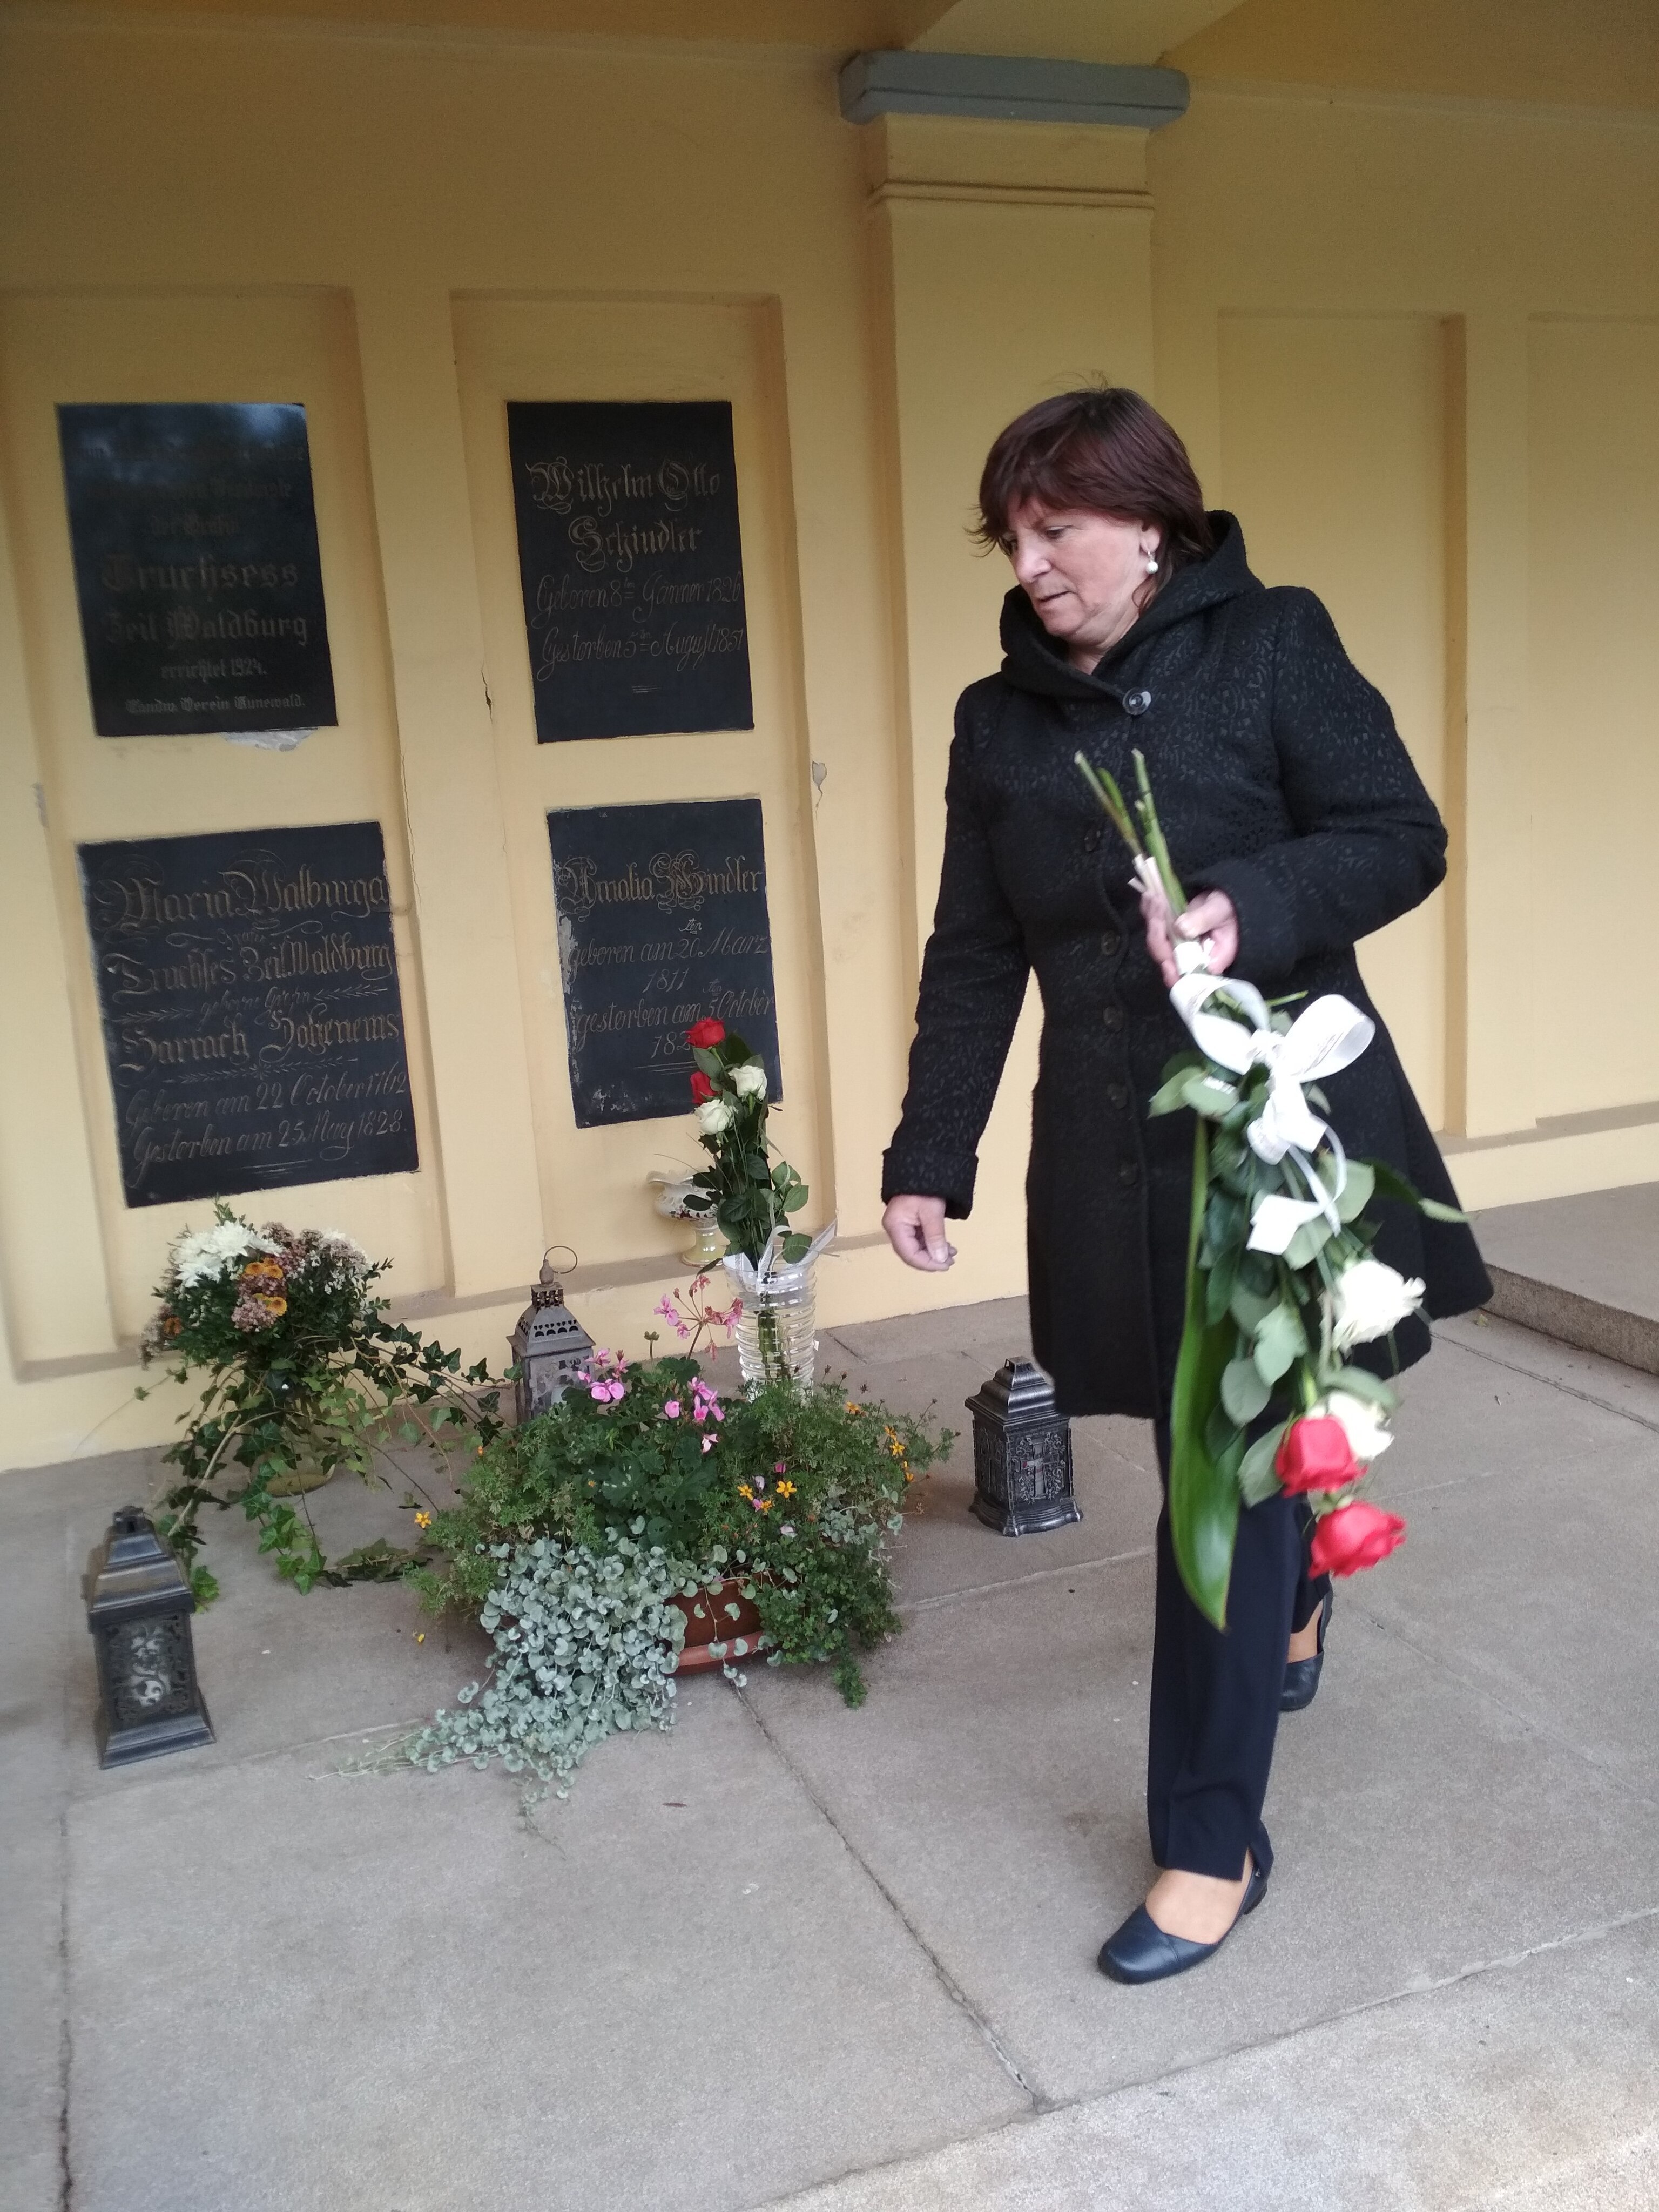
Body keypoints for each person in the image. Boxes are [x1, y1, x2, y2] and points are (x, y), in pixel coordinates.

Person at [880, 386, 1491, 1986]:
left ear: (1152, 526)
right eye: (1011, 538)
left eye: (1057, 529)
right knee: (1216, 1448)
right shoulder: (996, 722)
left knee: (1222, 1477)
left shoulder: (1274, 643)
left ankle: (1210, 1846)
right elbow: (975, 952)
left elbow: (1400, 834)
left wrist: (1249, 905)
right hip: (1109, 1149)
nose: (1031, 564)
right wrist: (930, 1153)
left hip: (1276, 1139)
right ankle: (1293, 1604)